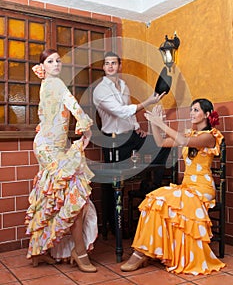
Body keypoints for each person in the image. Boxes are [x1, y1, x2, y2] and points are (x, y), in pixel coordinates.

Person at [121, 98, 226, 275]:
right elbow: (161, 142)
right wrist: (153, 122)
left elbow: (183, 141)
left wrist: (160, 123)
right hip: (187, 187)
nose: (192, 113)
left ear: (207, 115)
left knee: (165, 199)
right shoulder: (190, 134)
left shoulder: (210, 136)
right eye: (191, 110)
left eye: (196, 110)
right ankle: (142, 252)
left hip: (202, 189)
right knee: (155, 199)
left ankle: (143, 253)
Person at [25, 49, 98, 273]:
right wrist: (86, 127)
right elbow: (73, 105)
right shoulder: (54, 83)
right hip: (49, 147)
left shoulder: (48, 83)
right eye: (50, 61)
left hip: (53, 146)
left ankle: (40, 251)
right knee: (74, 195)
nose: (56, 64)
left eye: (58, 61)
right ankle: (79, 251)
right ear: (43, 66)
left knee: (51, 194)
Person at [93, 51, 166, 238]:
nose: (110, 66)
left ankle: (148, 188)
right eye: (107, 63)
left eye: (114, 63)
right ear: (104, 67)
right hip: (114, 140)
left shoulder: (124, 85)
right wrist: (148, 101)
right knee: (114, 184)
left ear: (120, 66)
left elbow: (129, 113)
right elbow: (119, 111)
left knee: (162, 147)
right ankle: (112, 226)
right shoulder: (100, 90)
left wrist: (137, 127)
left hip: (130, 135)